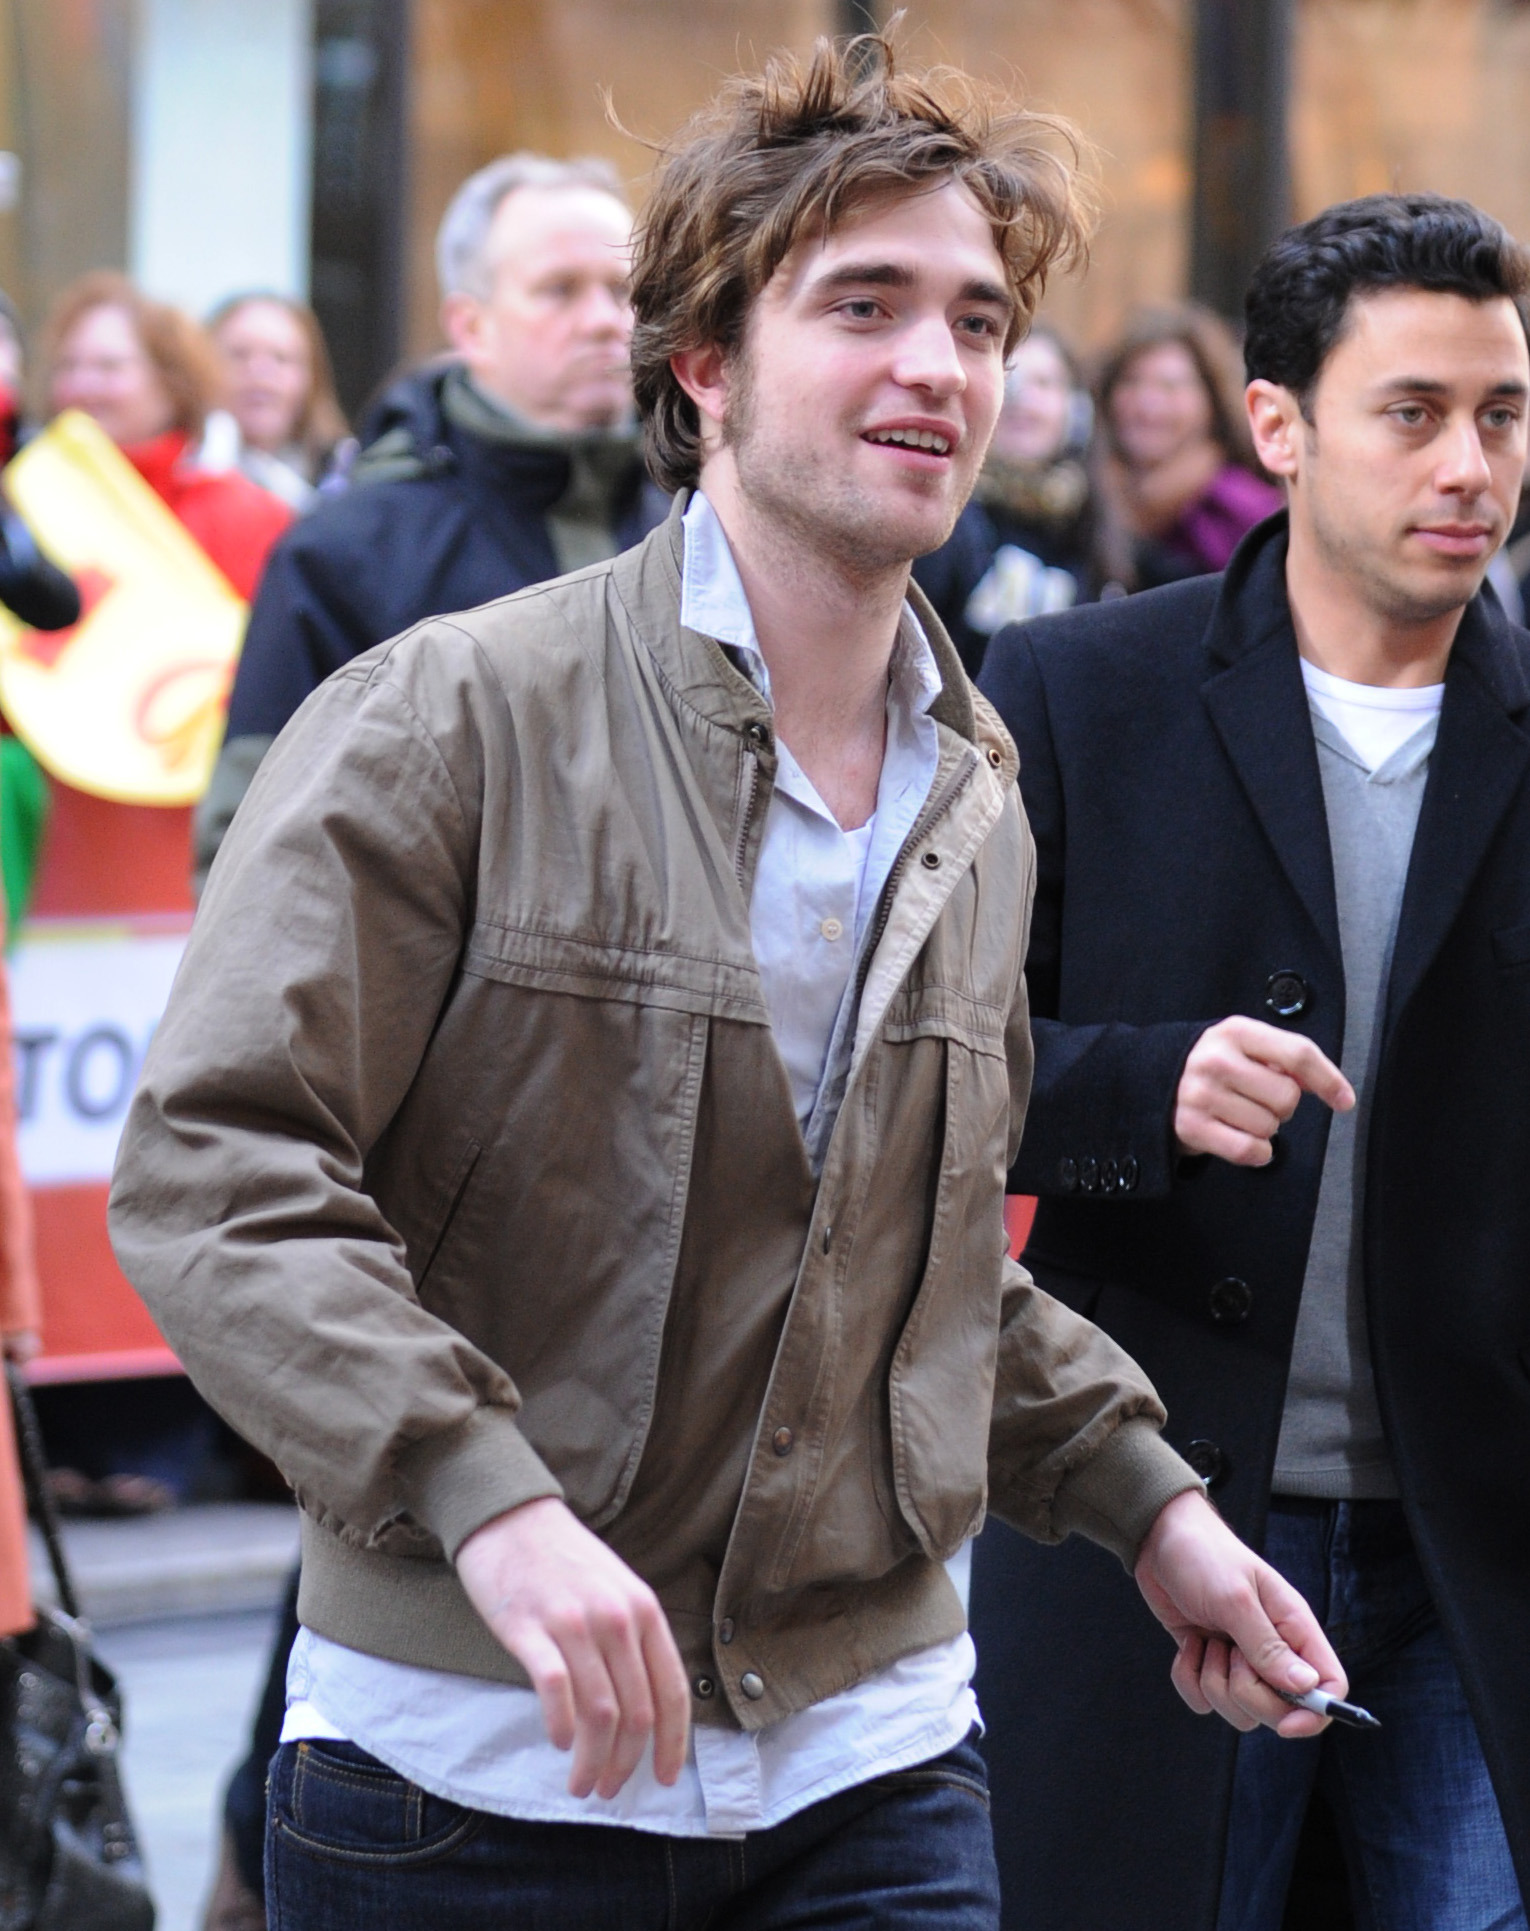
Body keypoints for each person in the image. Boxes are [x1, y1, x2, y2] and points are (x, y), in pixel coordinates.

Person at [108, 32, 1349, 1931]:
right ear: (704, 361)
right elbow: (216, 1170)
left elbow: (916, 1251)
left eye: (978, 320)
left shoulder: (975, 790)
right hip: (472, 1778)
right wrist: (487, 1496)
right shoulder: (453, 714)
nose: (937, 363)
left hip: (876, 1764)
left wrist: (1149, 1503)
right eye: (864, 305)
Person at [973, 192, 1530, 1930]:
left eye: (1502, 414)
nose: (1469, 466)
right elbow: (925, 1070)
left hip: (1476, 1551)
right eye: (1412, 412)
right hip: (1147, 1519)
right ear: (1277, 426)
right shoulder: (1073, 690)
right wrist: (1138, 1088)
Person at [193, 150, 668, 889]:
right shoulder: (341, 554)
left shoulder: (709, 523)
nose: (605, 322)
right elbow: (253, 863)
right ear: (470, 326)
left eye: (622, 290)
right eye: (560, 290)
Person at [913, 321, 1099, 673]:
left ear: (1078, 412)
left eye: (1044, 383)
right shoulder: (947, 514)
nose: (1023, 399)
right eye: (1009, 377)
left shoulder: (1094, 524)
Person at [1097, 301, 1281, 590]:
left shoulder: (1242, 512)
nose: (1147, 403)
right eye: (1131, 382)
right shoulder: (1083, 496)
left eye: (1169, 386)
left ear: (1211, 401)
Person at [206, 293, 350, 512]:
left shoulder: (346, 474)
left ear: (312, 376)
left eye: (281, 358)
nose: (260, 372)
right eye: (239, 355)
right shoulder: (177, 471)